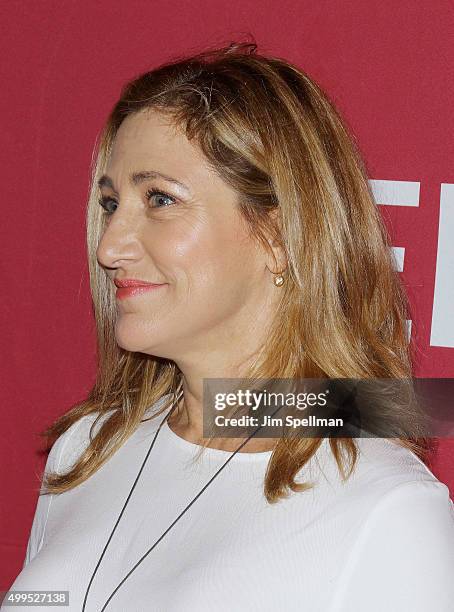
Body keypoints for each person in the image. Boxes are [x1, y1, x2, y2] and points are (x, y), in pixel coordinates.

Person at [6, 42, 454, 612]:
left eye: (160, 199)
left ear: (279, 235)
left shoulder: (387, 510)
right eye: (112, 203)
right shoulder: (88, 448)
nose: (110, 245)